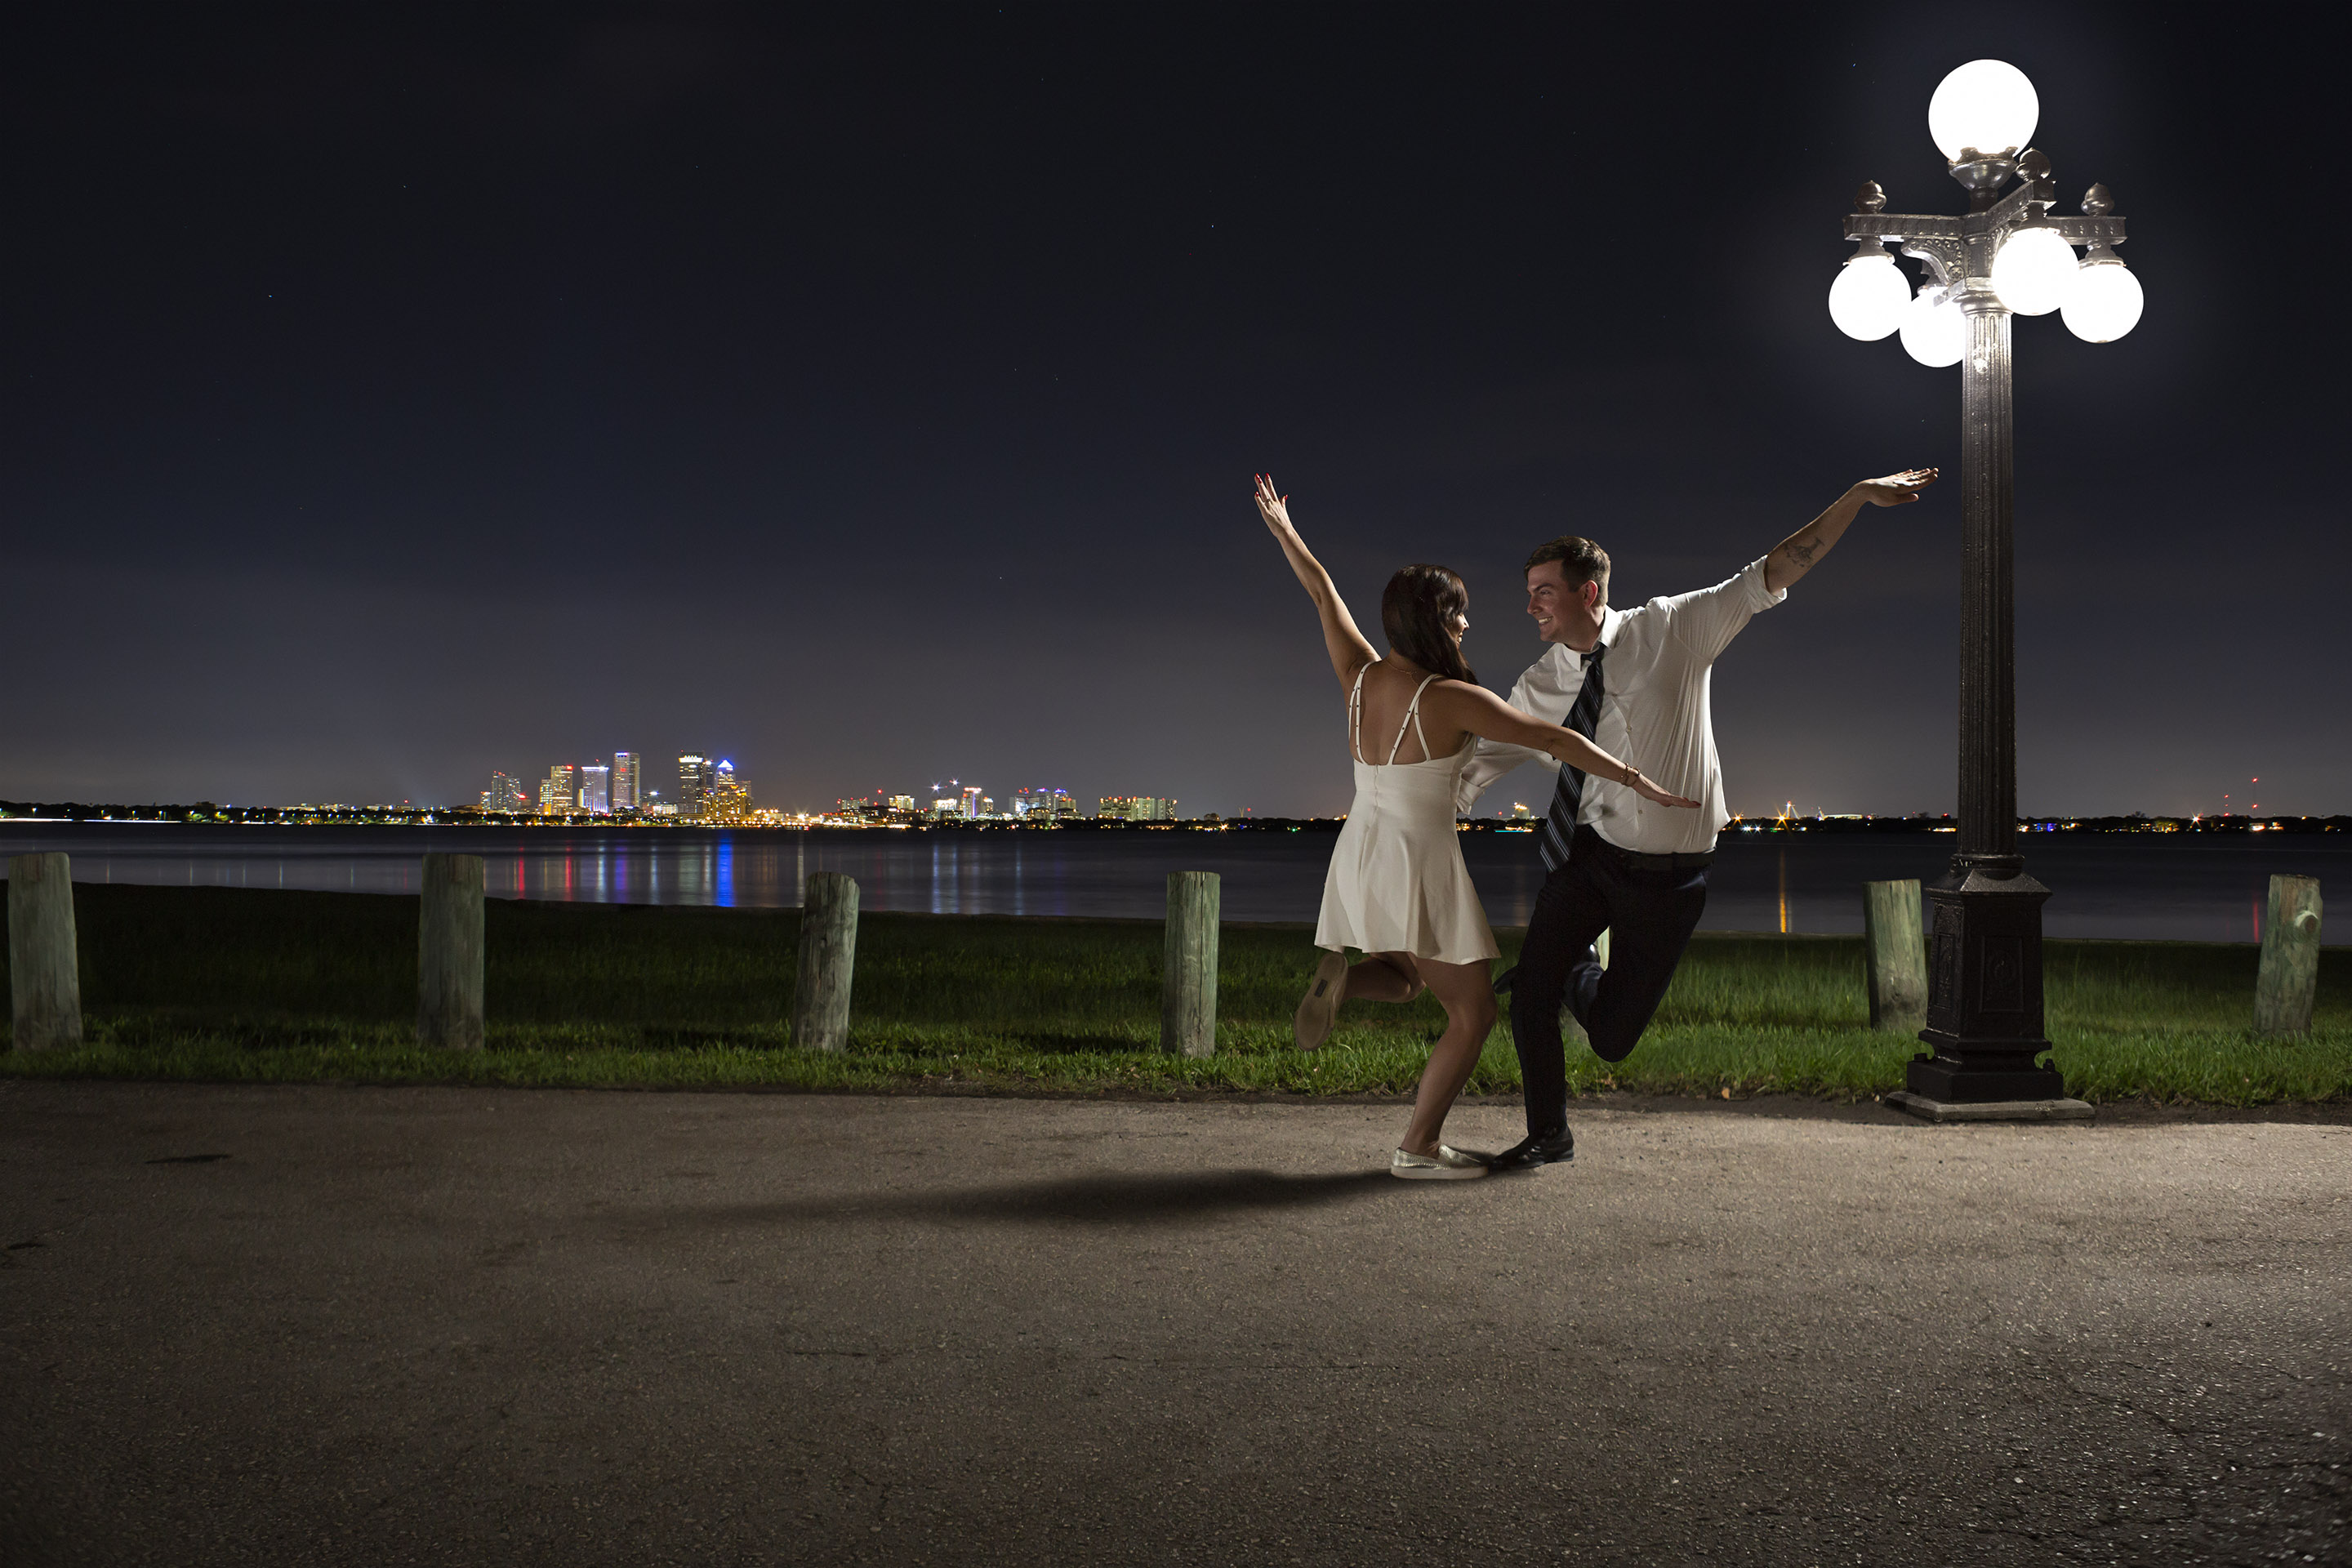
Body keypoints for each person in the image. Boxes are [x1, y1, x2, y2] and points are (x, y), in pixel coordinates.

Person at [1459, 468, 1940, 1172]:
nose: (1530, 606)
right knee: (1530, 990)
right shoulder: (1540, 684)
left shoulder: (1673, 628)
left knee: (1613, 1038)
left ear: (1588, 593)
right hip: (1590, 858)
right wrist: (1415, 813)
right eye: (1529, 592)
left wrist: (1857, 498)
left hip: (1670, 880)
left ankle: (1575, 971)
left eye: (1544, 592)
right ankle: (1549, 1133)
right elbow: (1480, 761)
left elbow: (1774, 570)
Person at [1253, 474, 1700, 1180]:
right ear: (1433, 621)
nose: (1466, 624)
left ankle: (1346, 984)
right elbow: (1552, 738)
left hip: (1361, 851)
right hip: (1418, 861)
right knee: (1475, 1013)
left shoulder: (1360, 678)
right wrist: (1632, 776)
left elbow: (1321, 592)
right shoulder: (1450, 698)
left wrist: (1285, 532)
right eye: (1457, 614)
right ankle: (1418, 1147)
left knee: (1404, 977)